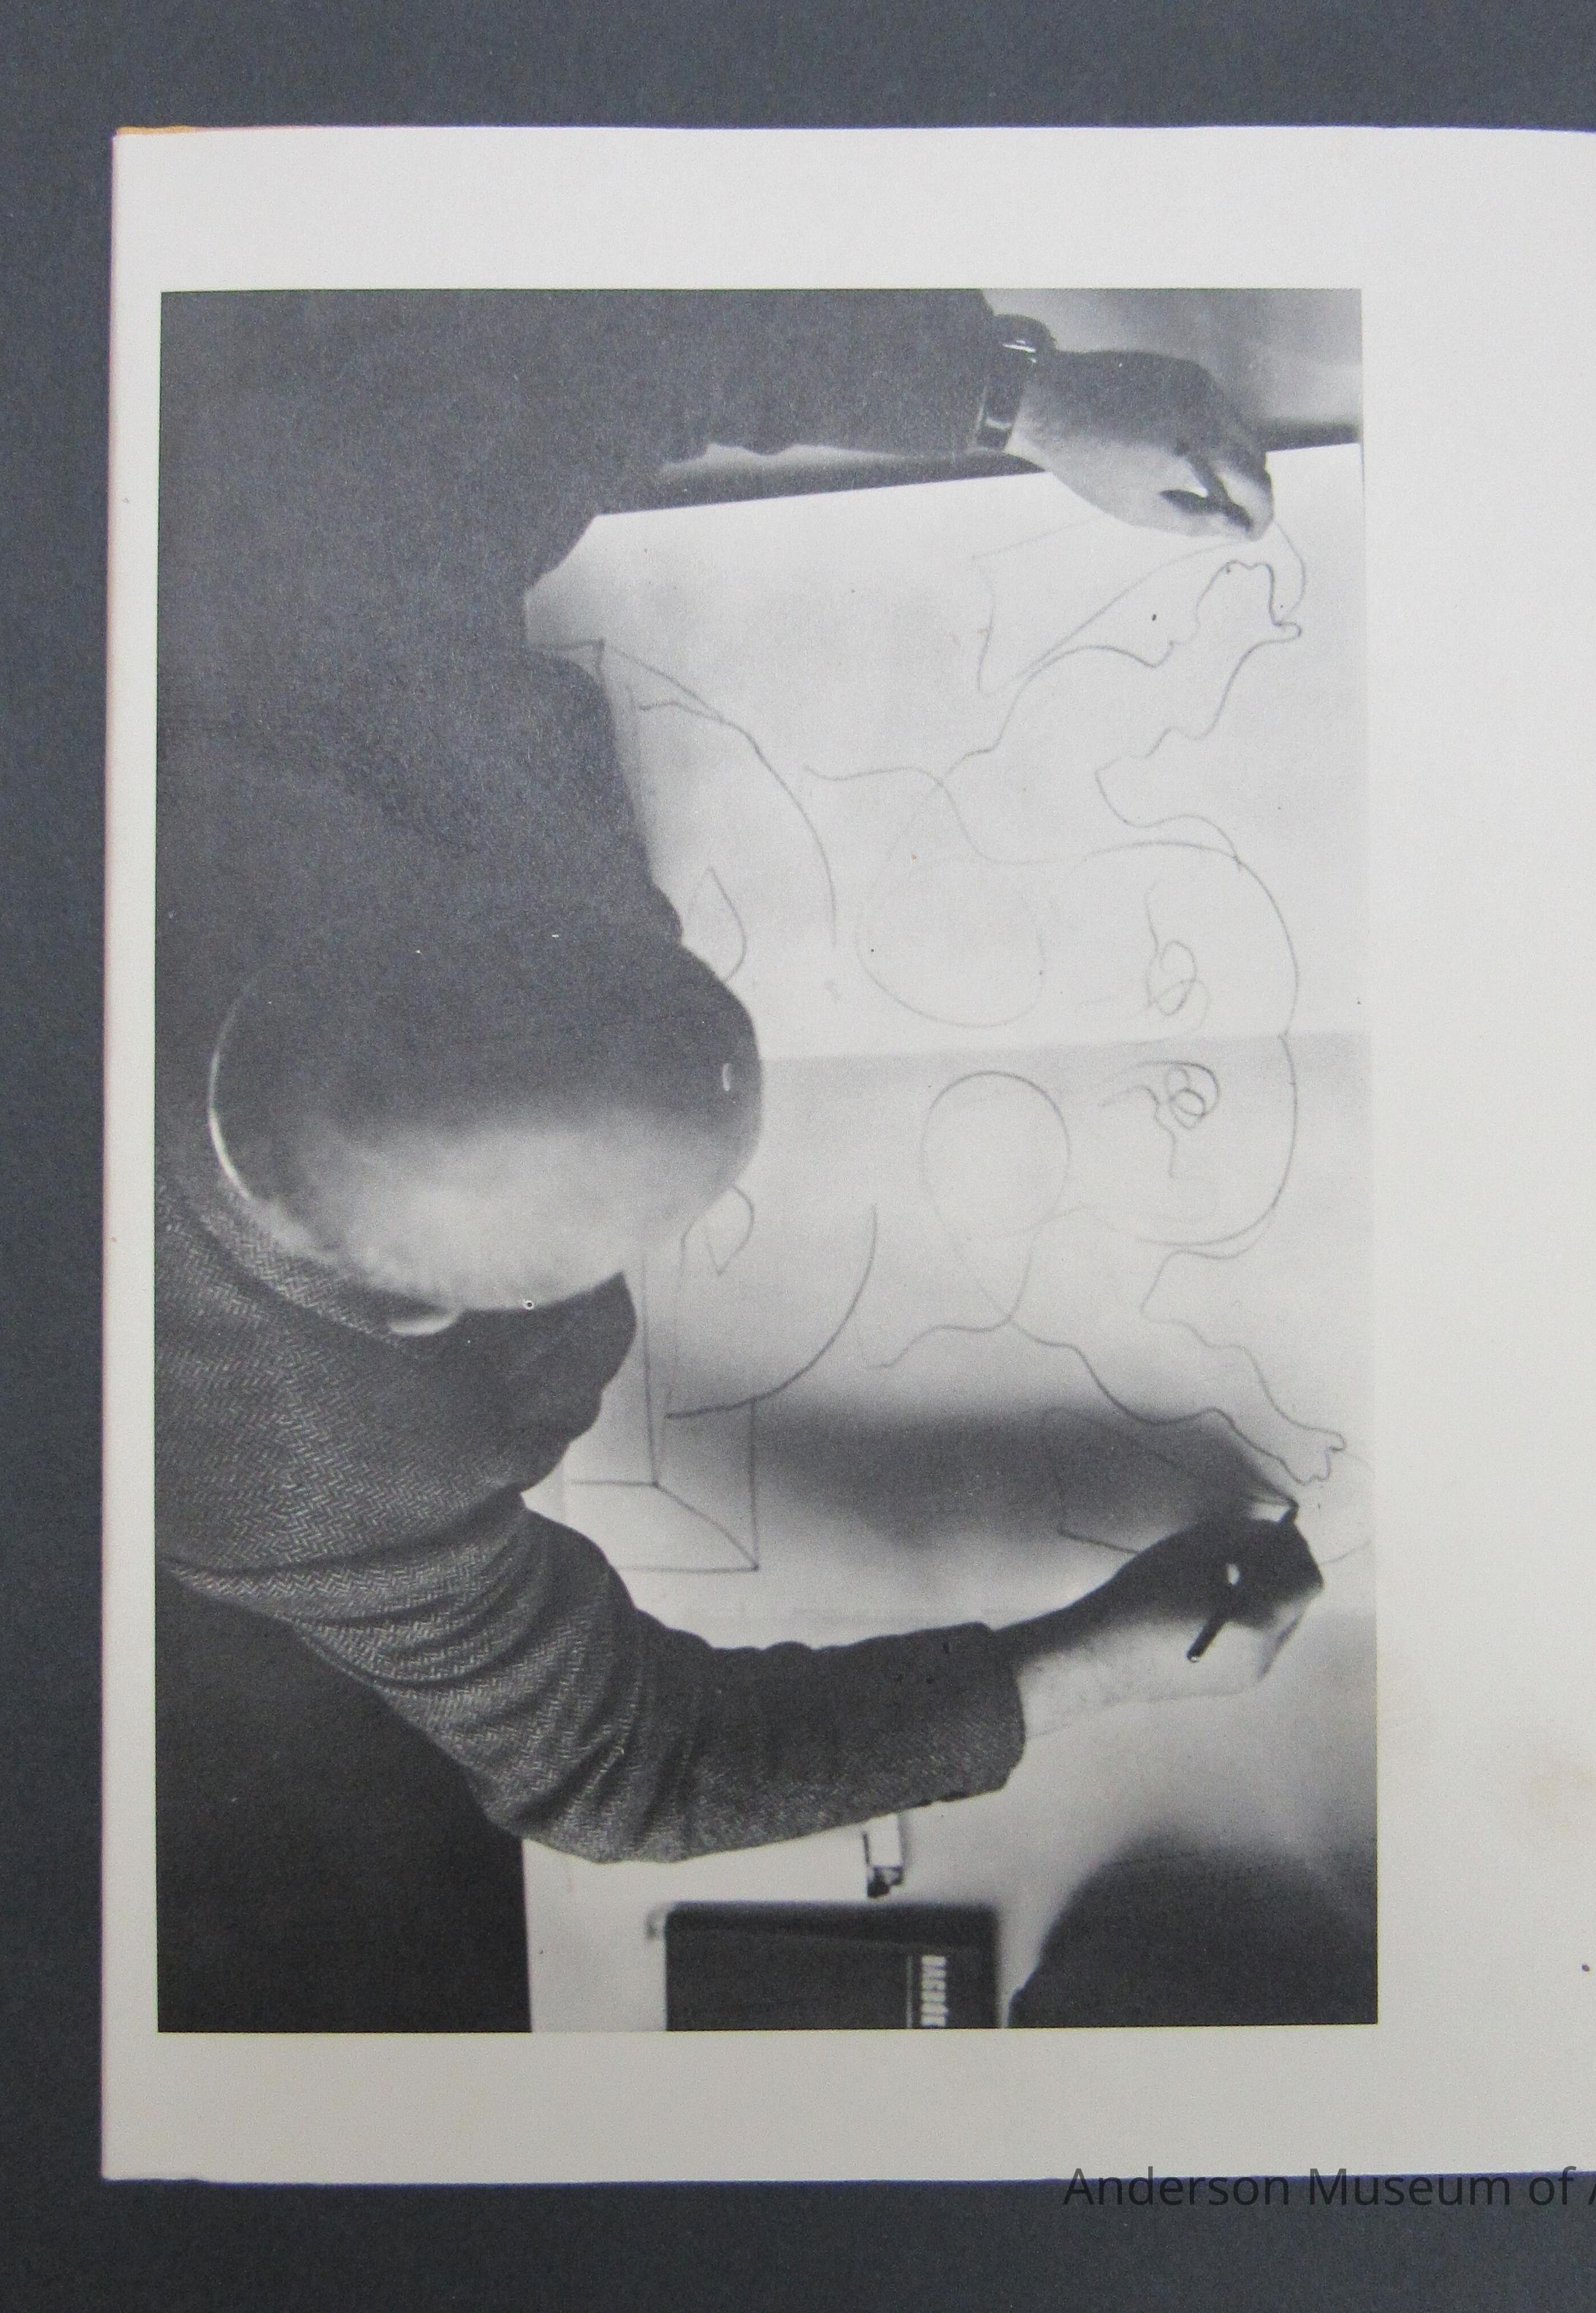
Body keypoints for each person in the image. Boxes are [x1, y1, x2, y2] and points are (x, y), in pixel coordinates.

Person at [154, 291, 1316, 2027]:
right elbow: (616, 1770)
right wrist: (1069, 1675)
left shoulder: (259, 607)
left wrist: (1016, 397)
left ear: (414, 907)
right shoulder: (287, 1475)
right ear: (416, 1319)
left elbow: (594, 348)